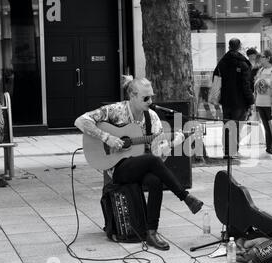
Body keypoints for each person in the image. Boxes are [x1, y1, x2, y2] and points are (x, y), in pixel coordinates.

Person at [74, 76, 204, 251]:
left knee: (155, 180)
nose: (150, 101)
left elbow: (158, 155)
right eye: (146, 98)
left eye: (152, 97)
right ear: (132, 96)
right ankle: (185, 196)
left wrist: (173, 143)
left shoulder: (152, 117)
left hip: (141, 166)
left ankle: (151, 232)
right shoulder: (115, 110)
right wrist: (107, 137)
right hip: (118, 168)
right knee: (150, 161)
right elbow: (81, 121)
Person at [213, 38, 254, 158]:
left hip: (225, 100)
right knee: (236, 126)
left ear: (229, 47)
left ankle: (226, 151)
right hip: (240, 101)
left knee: (226, 126)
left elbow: (215, 79)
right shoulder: (243, 63)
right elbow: (246, 85)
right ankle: (234, 151)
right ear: (239, 47)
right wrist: (250, 100)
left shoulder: (222, 62)